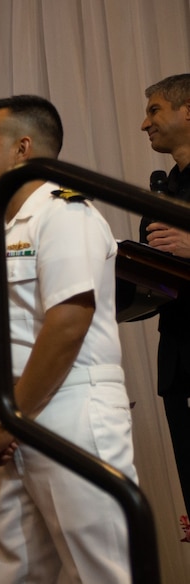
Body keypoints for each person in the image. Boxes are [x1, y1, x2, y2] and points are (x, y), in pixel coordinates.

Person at [0, 94, 142, 584]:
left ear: (23, 150)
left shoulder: (66, 216)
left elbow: (68, 321)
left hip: (70, 411)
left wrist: (7, 419)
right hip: (12, 425)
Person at [140, 73, 190, 530]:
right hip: (179, 360)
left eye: (154, 110)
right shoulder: (165, 187)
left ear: (187, 111)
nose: (144, 123)